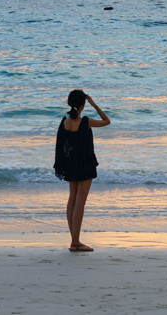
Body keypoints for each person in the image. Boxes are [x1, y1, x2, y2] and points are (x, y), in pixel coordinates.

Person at [53, 89, 110, 252]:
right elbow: (107, 121)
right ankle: (76, 242)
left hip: (70, 163)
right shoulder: (85, 121)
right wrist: (93, 103)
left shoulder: (65, 122)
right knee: (80, 201)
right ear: (82, 105)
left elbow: (60, 146)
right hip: (84, 164)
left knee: (72, 198)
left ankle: (74, 240)